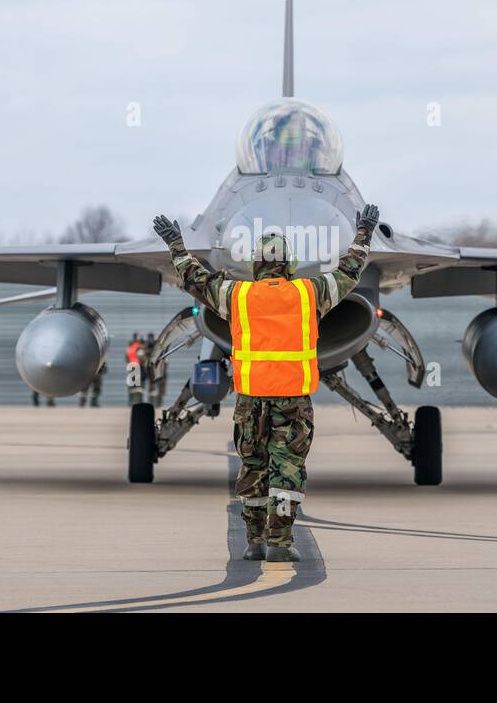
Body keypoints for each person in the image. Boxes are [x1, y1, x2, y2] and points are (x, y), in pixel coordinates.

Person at [152, 204, 379, 562]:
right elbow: (350, 273)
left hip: (250, 400)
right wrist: (364, 233)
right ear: (288, 265)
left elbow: (196, 281)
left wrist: (176, 246)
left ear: (255, 265)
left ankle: (253, 542)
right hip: (292, 400)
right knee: (286, 470)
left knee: (253, 468)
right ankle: (280, 544)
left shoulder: (237, 296)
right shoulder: (309, 293)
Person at [125, 333, 146, 405]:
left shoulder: (130, 347)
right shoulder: (140, 347)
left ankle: (131, 402)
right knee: (139, 386)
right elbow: (142, 358)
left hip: (131, 367)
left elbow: (127, 358)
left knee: (132, 385)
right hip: (138, 367)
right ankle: (138, 401)